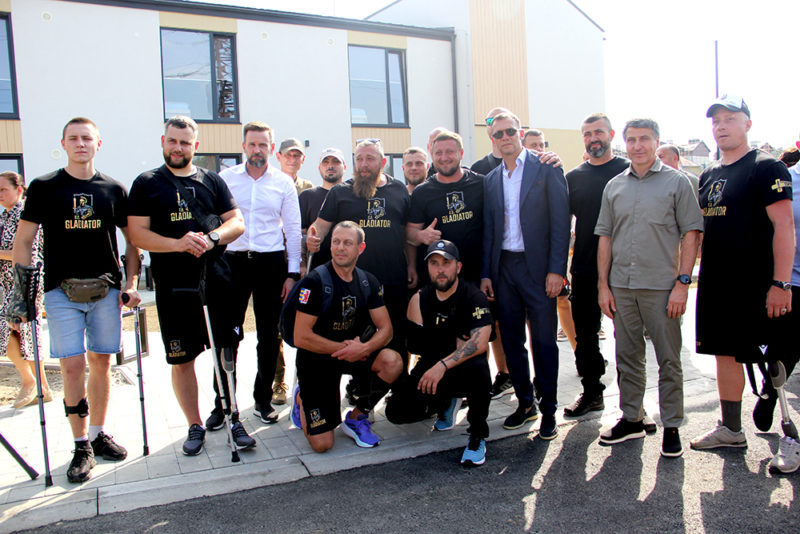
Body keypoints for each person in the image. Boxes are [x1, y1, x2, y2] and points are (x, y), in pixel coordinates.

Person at [11, 117, 141, 483]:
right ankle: (80, 444)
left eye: (87, 138)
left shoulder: (114, 189)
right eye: (73, 138)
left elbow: (132, 242)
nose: (80, 143)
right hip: (60, 291)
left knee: (101, 362)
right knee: (71, 367)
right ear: (64, 144)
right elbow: (23, 241)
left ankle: (98, 434)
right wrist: (25, 291)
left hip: (106, 291)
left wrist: (131, 282)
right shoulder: (44, 187)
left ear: (99, 143)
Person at [128, 116, 253, 456]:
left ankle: (233, 415)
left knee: (226, 353)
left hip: (218, 281)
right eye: (172, 141)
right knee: (182, 359)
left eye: (185, 142)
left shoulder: (212, 180)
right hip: (174, 286)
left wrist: (211, 239)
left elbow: (236, 222)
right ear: (163, 142)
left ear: (195, 146)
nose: (178, 147)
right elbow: (137, 234)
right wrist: (178, 244)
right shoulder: (146, 183)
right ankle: (194, 425)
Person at [690, 96, 795, 455]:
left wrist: (781, 283)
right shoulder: (709, 174)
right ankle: (731, 428)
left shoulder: (766, 168)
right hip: (718, 283)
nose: (721, 126)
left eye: (730, 119)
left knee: (772, 355)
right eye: (716, 121)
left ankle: (789, 435)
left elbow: (785, 227)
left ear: (747, 124)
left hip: (758, 284)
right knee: (724, 354)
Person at [595, 118, 703, 458]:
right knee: (627, 357)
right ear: (624, 143)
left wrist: (683, 283)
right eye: (631, 139)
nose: (637, 145)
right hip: (621, 287)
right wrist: (603, 285)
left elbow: (692, 234)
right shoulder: (614, 186)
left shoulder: (677, 182)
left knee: (669, 359)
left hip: (662, 288)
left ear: (657, 142)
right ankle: (632, 418)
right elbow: (605, 237)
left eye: (644, 139)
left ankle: (672, 425)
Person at [481, 111, 570, 439]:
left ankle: (549, 409)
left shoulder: (546, 167)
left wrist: (557, 270)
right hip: (504, 269)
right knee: (512, 340)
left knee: (544, 340)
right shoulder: (492, 179)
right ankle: (525, 402)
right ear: (492, 139)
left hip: (539, 269)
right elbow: (490, 230)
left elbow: (560, 222)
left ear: (520, 133)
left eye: (510, 131)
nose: (505, 138)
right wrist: (487, 274)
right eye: (498, 134)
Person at [208, 121, 301, 427]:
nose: (257, 150)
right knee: (226, 334)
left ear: (271, 148)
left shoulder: (283, 183)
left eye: (263, 145)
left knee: (268, 335)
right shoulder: (225, 179)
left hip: (270, 264)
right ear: (243, 146)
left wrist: (292, 273)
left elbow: (293, 230)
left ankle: (262, 399)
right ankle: (223, 404)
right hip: (232, 263)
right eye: (252, 144)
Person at [291, 221, 403, 451]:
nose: (340, 248)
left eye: (347, 243)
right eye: (336, 242)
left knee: (393, 361)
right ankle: (302, 397)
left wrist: (364, 348)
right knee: (323, 444)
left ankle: (356, 417)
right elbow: (301, 337)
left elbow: (387, 329)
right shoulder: (314, 281)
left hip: (355, 353)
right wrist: (345, 349)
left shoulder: (368, 281)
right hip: (317, 359)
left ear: (361, 248)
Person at [385, 240, 493, 465]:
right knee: (396, 411)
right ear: (428, 267)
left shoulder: (473, 296)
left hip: (460, 368)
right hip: (431, 365)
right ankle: (444, 404)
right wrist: (453, 338)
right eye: (434, 263)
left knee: (479, 368)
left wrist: (443, 363)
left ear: (458, 267)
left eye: (446, 263)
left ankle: (477, 436)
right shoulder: (419, 299)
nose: (440, 269)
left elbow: (480, 343)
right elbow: (415, 346)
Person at [307, 139, 410, 362]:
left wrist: (412, 266)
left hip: (392, 279)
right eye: (359, 159)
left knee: (395, 337)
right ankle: (358, 380)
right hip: (351, 283)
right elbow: (321, 226)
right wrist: (313, 238)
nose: (363, 164)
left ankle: (397, 382)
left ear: (383, 162)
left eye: (370, 159)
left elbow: (405, 233)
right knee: (354, 338)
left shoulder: (399, 190)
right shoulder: (340, 192)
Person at [562, 113, 629, 418]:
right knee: (586, 335)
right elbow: (563, 226)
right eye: (587, 134)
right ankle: (592, 393)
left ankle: (633, 401)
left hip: (626, 266)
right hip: (586, 267)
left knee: (627, 337)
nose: (593, 139)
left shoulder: (628, 170)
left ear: (611, 135)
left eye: (598, 132)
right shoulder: (573, 178)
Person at [407, 131, 484, 287]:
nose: (444, 157)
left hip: (476, 275)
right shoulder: (422, 192)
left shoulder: (481, 184)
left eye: (449, 152)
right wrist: (421, 235)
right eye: (438, 153)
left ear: (461, 153)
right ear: (432, 155)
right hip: (438, 278)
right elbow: (409, 232)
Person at [0, 172, 51, 409]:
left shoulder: (26, 215)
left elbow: (27, 252)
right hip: (8, 284)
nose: (0, 195)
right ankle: (41, 387)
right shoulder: (5, 216)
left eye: (3, 189)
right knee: (23, 335)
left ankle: (31, 383)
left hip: (26, 282)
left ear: (19, 189)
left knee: (22, 332)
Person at [273, 137, 311, 403]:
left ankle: (305, 379)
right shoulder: (271, 184)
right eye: (288, 155)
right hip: (276, 263)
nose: (292, 159)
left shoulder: (309, 190)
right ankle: (279, 381)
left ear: (303, 159)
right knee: (275, 325)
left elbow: (310, 228)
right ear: (279, 156)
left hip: (304, 267)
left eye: (297, 155)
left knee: (306, 322)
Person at [301, 148, 346, 271]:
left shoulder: (353, 196)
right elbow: (300, 235)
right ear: (319, 168)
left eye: (336, 161)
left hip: (349, 270)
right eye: (325, 162)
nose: (330, 166)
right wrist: (301, 265)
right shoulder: (307, 197)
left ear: (344, 167)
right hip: (317, 270)